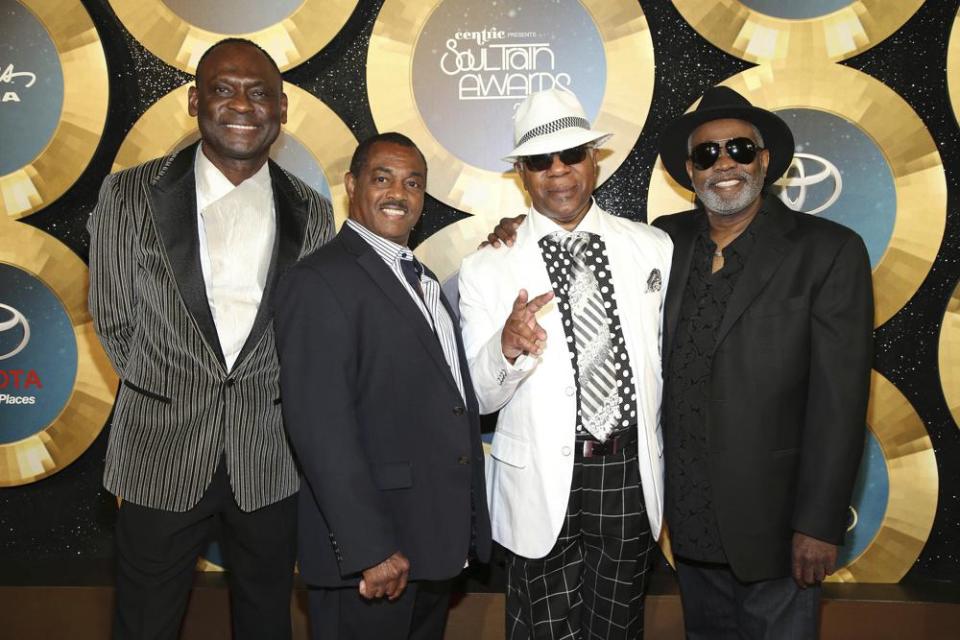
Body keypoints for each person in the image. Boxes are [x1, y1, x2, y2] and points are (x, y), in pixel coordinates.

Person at [87, 38, 333, 639]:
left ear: (282, 108)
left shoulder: (313, 212)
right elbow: (114, 319)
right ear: (196, 100)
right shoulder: (128, 194)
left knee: (266, 621)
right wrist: (173, 388)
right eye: (223, 89)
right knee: (144, 622)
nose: (242, 105)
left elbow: (312, 336)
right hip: (160, 450)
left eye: (259, 93)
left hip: (270, 456)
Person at [652, 86, 873, 639]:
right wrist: (511, 235)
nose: (724, 163)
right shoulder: (663, 243)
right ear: (689, 168)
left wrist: (819, 525)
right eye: (707, 154)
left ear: (765, 160)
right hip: (690, 521)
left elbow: (840, 402)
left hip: (778, 531)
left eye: (740, 150)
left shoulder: (828, 251)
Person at [458, 88, 673, 639]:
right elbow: (478, 399)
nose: (558, 172)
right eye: (539, 161)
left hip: (628, 473)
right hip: (536, 481)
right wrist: (506, 347)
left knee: (618, 629)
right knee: (541, 630)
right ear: (523, 176)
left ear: (594, 159)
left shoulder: (654, 248)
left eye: (571, 154)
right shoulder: (486, 267)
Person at [274, 132, 492, 640]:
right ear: (352, 185)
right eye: (383, 178)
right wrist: (370, 548)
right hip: (373, 559)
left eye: (413, 182)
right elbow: (318, 426)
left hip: (428, 547)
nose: (399, 192)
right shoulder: (319, 280)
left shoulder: (424, 281)